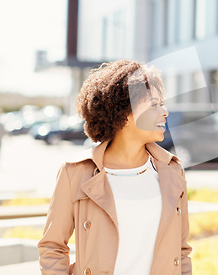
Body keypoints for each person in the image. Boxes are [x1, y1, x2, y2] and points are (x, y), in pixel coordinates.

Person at [38, 60, 192, 275]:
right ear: (125, 114)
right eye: (154, 104)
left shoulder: (173, 171)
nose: (165, 111)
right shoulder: (75, 172)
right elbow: (52, 247)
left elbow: (181, 251)